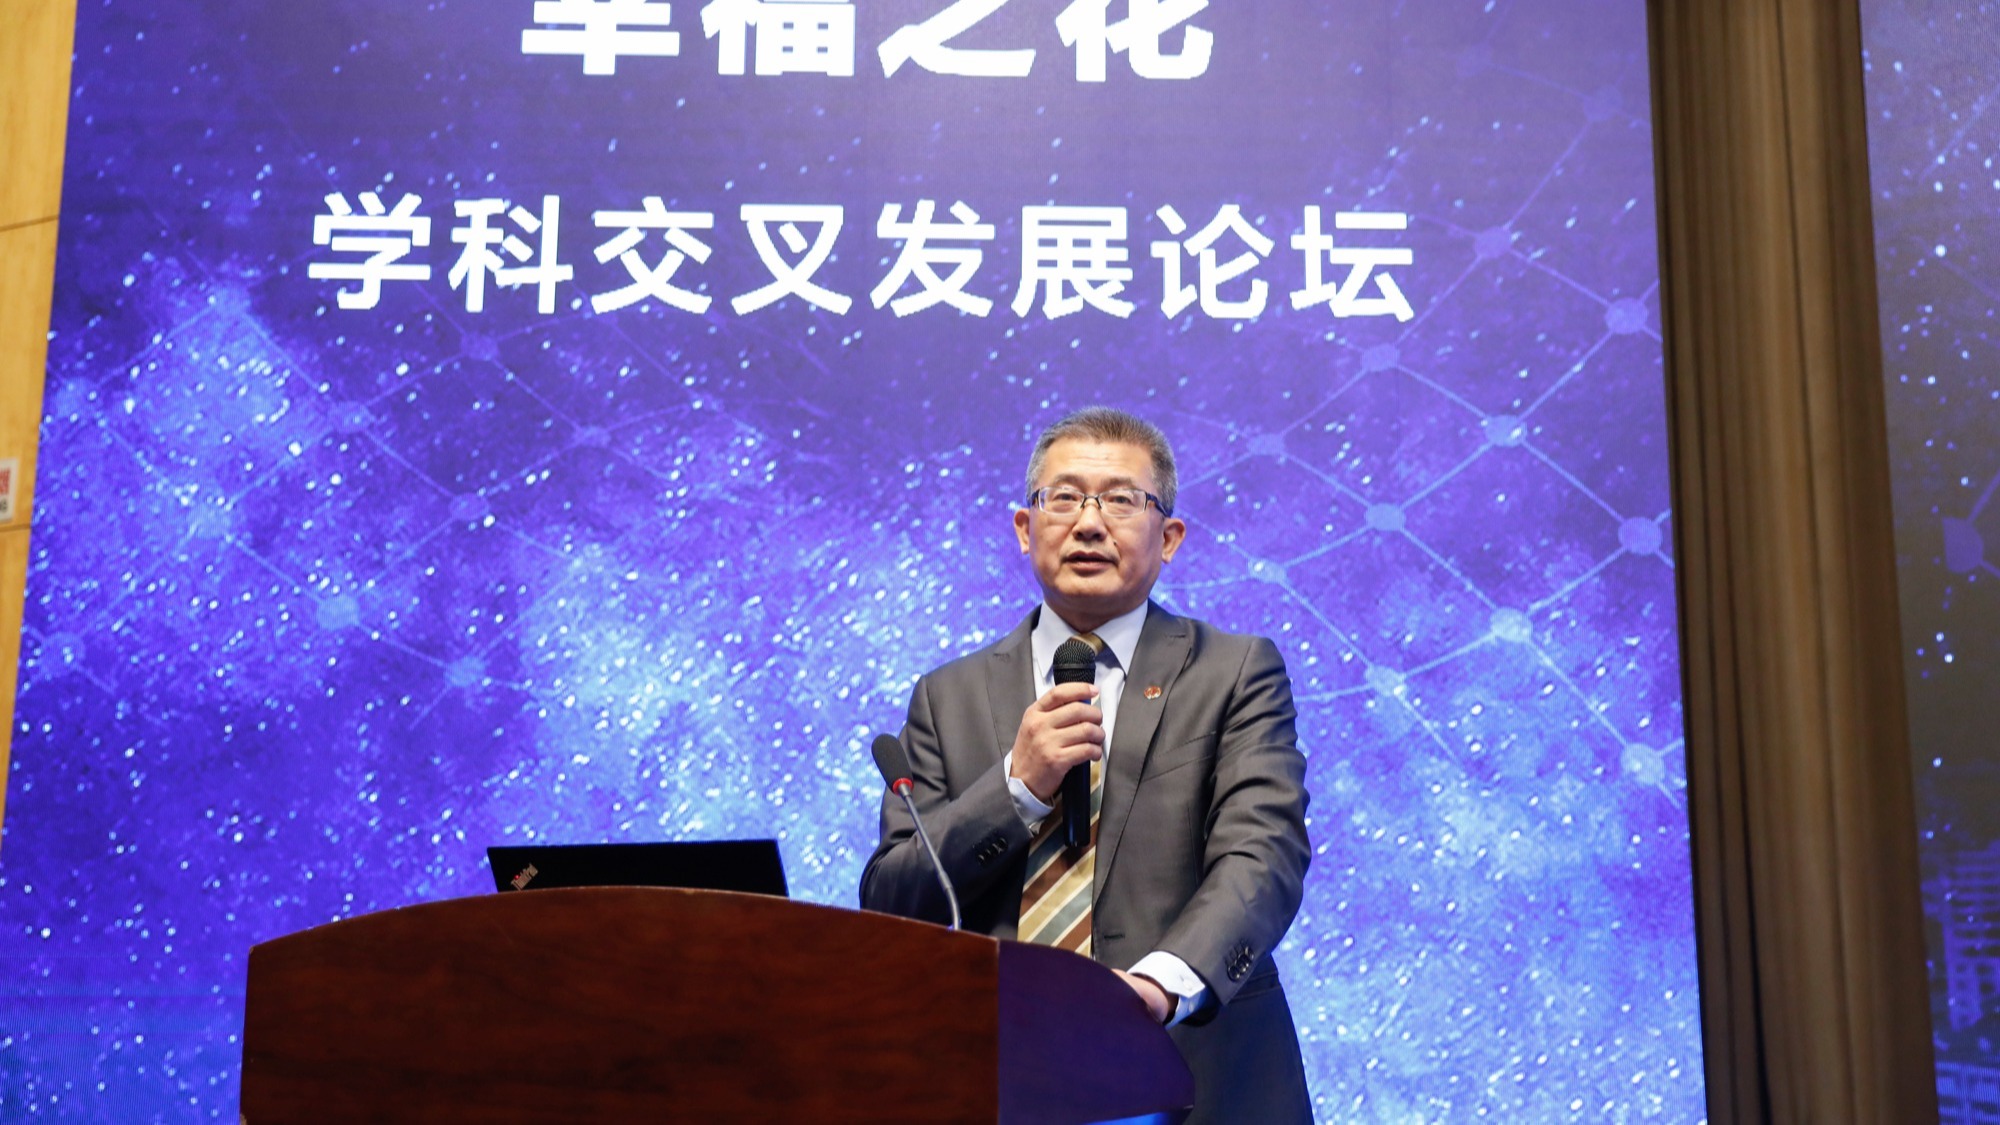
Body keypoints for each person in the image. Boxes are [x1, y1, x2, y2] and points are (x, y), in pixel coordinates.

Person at [860, 407, 1313, 1123]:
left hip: (1195, 1074)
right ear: (1025, 528)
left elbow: (1265, 855)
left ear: (1169, 539)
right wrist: (1015, 788)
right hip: (994, 1080)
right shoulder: (947, 696)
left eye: (1121, 500)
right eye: (1065, 498)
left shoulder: (1234, 673)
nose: (1090, 523)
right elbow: (894, 901)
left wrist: (1158, 988)